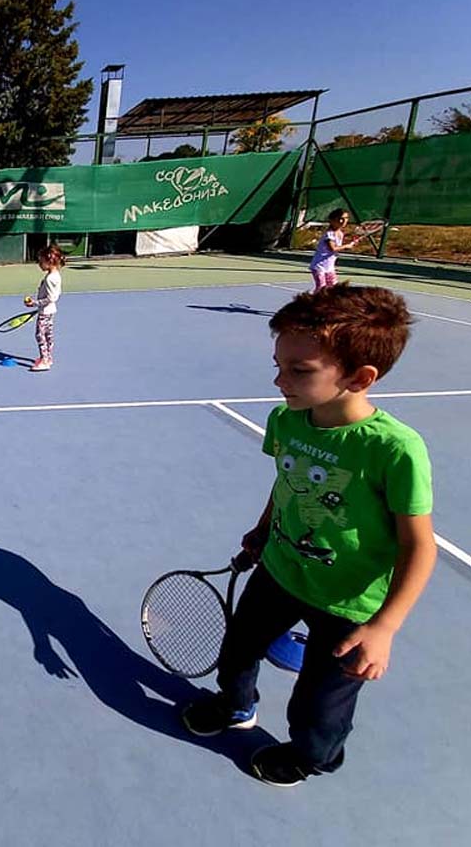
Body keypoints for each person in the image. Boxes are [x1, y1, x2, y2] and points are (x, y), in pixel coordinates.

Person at [180, 284, 436, 787]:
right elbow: (287, 484)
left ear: (360, 377)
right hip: (280, 568)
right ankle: (236, 706)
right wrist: (261, 529)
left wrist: (385, 628)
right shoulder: (288, 419)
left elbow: (419, 545)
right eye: (278, 364)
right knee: (236, 651)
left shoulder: (395, 451)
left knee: (321, 702)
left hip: (349, 603)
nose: (280, 380)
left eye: (300, 371)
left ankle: (311, 754)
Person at [25, 243, 65, 372]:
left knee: (40, 335)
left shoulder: (50, 279)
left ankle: (45, 361)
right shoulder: (56, 275)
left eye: (41, 261)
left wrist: (35, 303)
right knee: (48, 335)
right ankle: (48, 357)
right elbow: (56, 294)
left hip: (46, 312)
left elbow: (52, 298)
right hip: (50, 311)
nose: (39, 264)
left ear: (49, 261)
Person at [309, 208, 357, 292]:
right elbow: (332, 248)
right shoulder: (329, 234)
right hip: (319, 266)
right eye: (340, 218)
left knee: (333, 288)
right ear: (332, 220)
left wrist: (350, 245)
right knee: (321, 288)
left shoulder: (340, 234)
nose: (343, 221)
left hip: (330, 267)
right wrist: (346, 246)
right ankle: (313, 303)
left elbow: (338, 249)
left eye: (346, 218)